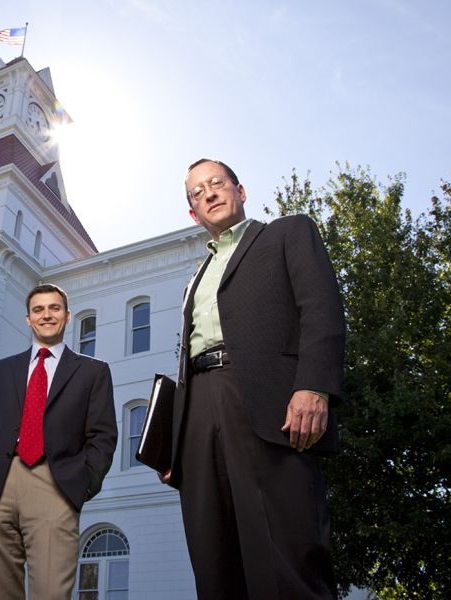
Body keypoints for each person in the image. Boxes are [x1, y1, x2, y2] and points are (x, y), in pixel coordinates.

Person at [164, 158, 345, 599]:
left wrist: (313, 386)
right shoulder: (196, 278)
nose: (208, 193)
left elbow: (321, 308)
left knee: (287, 556)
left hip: (267, 402)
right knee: (214, 558)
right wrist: (175, 443)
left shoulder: (288, 233)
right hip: (199, 414)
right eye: (196, 192)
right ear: (193, 213)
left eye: (216, 183)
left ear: (240, 191)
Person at [0, 283, 117, 600]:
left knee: (51, 592)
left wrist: (79, 484)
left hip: (54, 483)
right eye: (38, 310)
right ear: (28, 319)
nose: (46, 315)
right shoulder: (2, 371)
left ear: (67, 316)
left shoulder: (93, 372)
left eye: (54, 308)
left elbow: (103, 437)